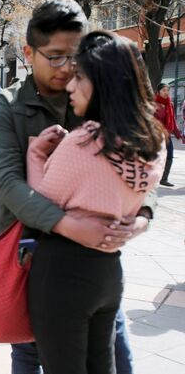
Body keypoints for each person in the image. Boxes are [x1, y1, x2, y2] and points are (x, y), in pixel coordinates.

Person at [0, 0, 153, 374]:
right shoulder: (7, 106)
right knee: (29, 354)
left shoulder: (99, 99)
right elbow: (9, 184)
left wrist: (142, 215)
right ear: (29, 52)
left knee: (116, 355)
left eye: (75, 58)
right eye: (56, 56)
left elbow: (139, 161)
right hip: (28, 251)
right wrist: (68, 224)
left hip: (95, 261)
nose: (67, 68)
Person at [26, 31, 165, 374]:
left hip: (63, 272)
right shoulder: (152, 144)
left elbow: (38, 206)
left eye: (79, 77)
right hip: (108, 273)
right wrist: (142, 220)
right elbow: (144, 195)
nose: (70, 86)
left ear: (103, 82)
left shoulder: (82, 143)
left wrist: (35, 156)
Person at [154, 83, 184, 186]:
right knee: (155, 157)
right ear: (158, 92)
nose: (166, 92)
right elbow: (152, 121)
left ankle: (164, 179)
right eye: (163, 90)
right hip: (156, 136)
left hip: (167, 136)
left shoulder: (170, 104)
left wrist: (178, 135)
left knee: (170, 155)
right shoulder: (153, 104)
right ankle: (152, 177)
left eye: (167, 90)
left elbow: (173, 122)